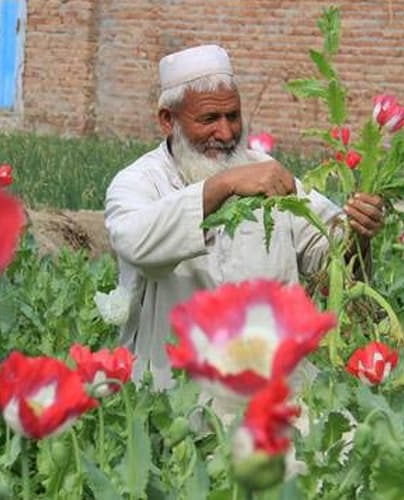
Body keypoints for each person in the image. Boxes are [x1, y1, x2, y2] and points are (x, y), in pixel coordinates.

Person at [104, 44, 384, 391]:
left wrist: (360, 232)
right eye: (209, 119)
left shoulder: (268, 175)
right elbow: (134, 243)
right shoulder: (139, 182)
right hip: (177, 391)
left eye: (233, 116)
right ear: (167, 120)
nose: (225, 133)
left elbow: (330, 251)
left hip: (272, 383)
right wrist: (223, 184)